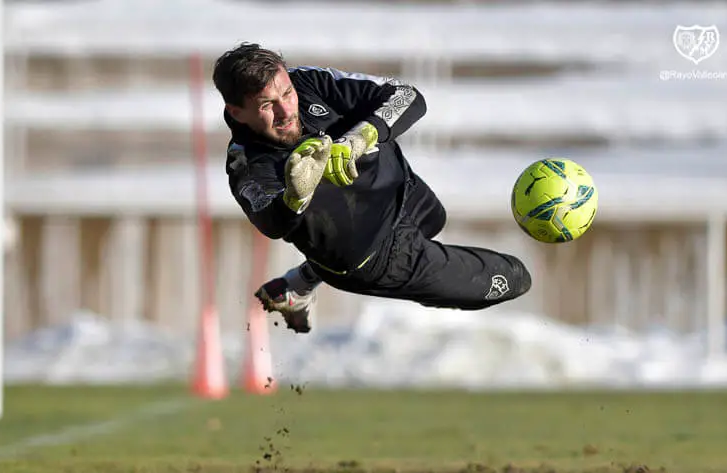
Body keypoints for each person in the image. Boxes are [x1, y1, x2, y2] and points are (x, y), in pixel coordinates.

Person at [213, 42, 532, 334]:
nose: (285, 110)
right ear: (236, 112)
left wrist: (362, 136)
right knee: (514, 278)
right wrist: (296, 194)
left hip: (406, 193)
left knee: (436, 220)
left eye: (286, 94)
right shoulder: (247, 163)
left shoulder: (308, 82)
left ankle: (297, 284)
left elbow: (408, 97)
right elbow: (271, 223)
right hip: (380, 258)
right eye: (267, 104)